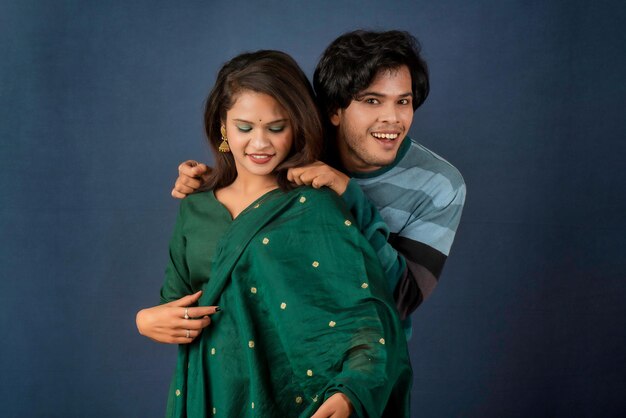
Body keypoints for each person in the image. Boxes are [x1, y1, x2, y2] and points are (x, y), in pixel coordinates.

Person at [136, 50, 411, 417]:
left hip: (292, 397)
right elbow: (176, 303)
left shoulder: (315, 205)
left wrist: (350, 394)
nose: (260, 144)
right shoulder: (195, 206)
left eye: (276, 128)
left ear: (296, 126)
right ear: (223, 126)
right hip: (210, 395)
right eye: (245, 128)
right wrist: (144, 320)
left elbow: (365, 316)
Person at [172, 30, 467, 337]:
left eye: (402, 101)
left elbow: (402, 298)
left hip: (365, 361)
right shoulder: (301, 146)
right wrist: (217, 180)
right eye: (371, 101)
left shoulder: (441, 185)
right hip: (276, 348)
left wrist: (349, 196)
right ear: (333, 111)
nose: (392, 118)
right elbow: (252, 157)